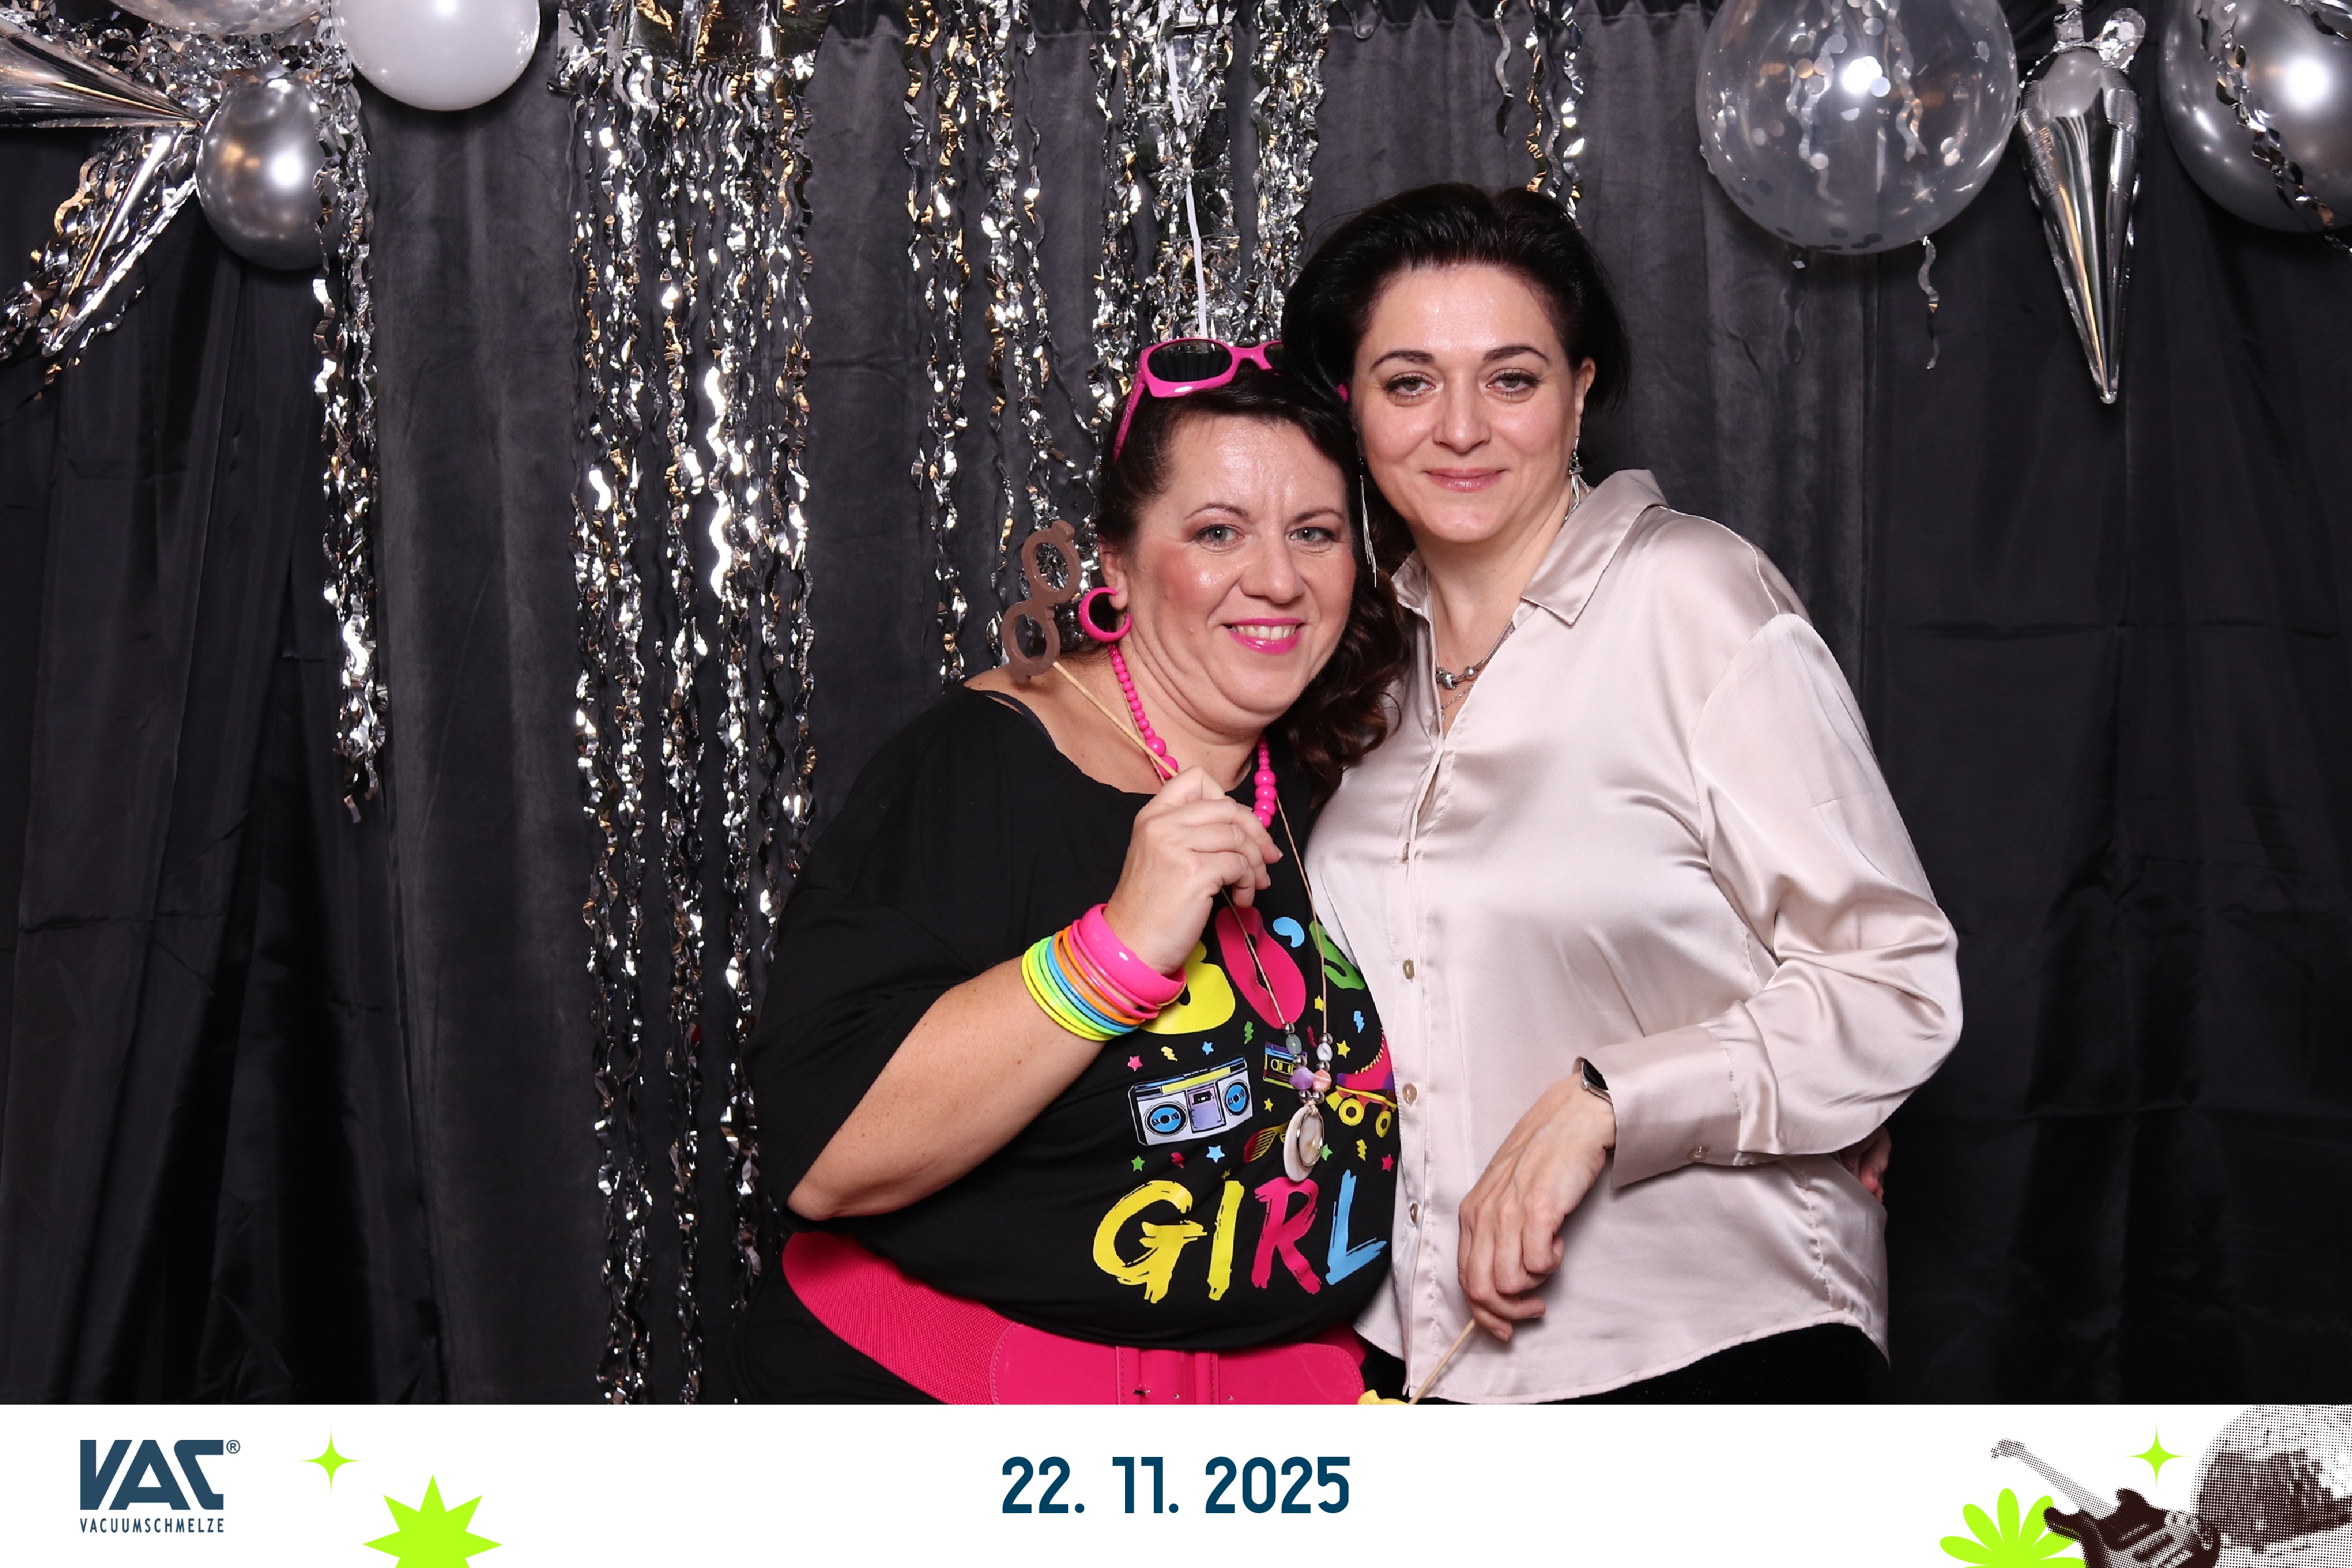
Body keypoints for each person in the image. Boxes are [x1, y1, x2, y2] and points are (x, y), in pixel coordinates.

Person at [1284, 184, 1963, 1403]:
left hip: (1710, 1346)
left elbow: (1895, 982)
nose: (1459, 429)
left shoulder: (1695, 597)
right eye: (1408, 382)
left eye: (1511, 378)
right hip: (1422, 1361)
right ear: (1352, 407)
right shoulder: (1363, 663)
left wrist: (1608, 1102)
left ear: (1581, 389)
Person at [736, 351, 1410, 1401]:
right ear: (1117, 566)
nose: (1279, 580)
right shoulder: (983, 764)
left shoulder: (1336, 771)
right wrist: (1115, 952)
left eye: (1315, 533)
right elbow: (827, 1160)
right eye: (1218, 532)